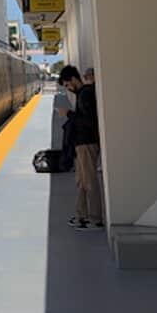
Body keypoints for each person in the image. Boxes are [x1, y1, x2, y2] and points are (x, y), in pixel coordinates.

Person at [57, 66, 103, 231]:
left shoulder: (85, 95)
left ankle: (95, 219)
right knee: (82, 181)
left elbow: (88, 121)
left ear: (73, 80)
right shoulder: (82, 94)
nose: (68, 89)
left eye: (67, 85)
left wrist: (68, 114)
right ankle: (81, 215)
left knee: (89, 182)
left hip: (87, 144)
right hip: (82, 144)